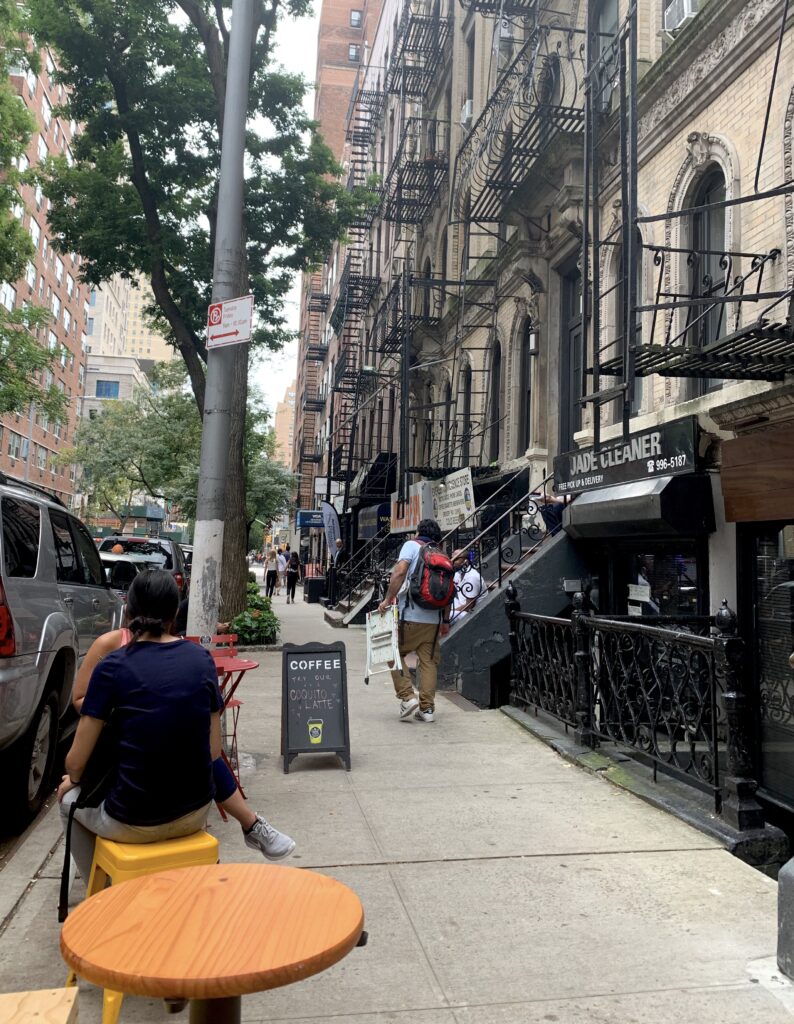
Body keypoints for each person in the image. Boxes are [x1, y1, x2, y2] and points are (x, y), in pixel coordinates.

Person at [66, 571, 296, 875]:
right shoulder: (202, 659)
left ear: (129, 609)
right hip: (195, 814)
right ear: (175, 612)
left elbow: (74, 765)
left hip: (131, 820)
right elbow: (214, 754)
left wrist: (74, 779)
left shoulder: (112, 665)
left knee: (67, 798)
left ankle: (98, 897)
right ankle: (252, 825)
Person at [377, 518, 450, 724]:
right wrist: (446, 620)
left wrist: (388, 599)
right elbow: (447, 591)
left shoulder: (411, 545)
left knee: (392, 652)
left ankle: (407, 697)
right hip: (434, 620)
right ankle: (427, 710)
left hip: (409, 615)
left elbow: (400, 572)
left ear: (418, 532)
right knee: (428, 662)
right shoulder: (442, 554)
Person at [450, 549, 486, 625]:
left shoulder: (472, 577)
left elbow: (469, 606)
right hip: (461, 605)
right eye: (452, 558)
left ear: (465, 561)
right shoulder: (459, 574)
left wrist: (450, 612)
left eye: (456, 559)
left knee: (445, 615)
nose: (452, 561)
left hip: (473, 612)